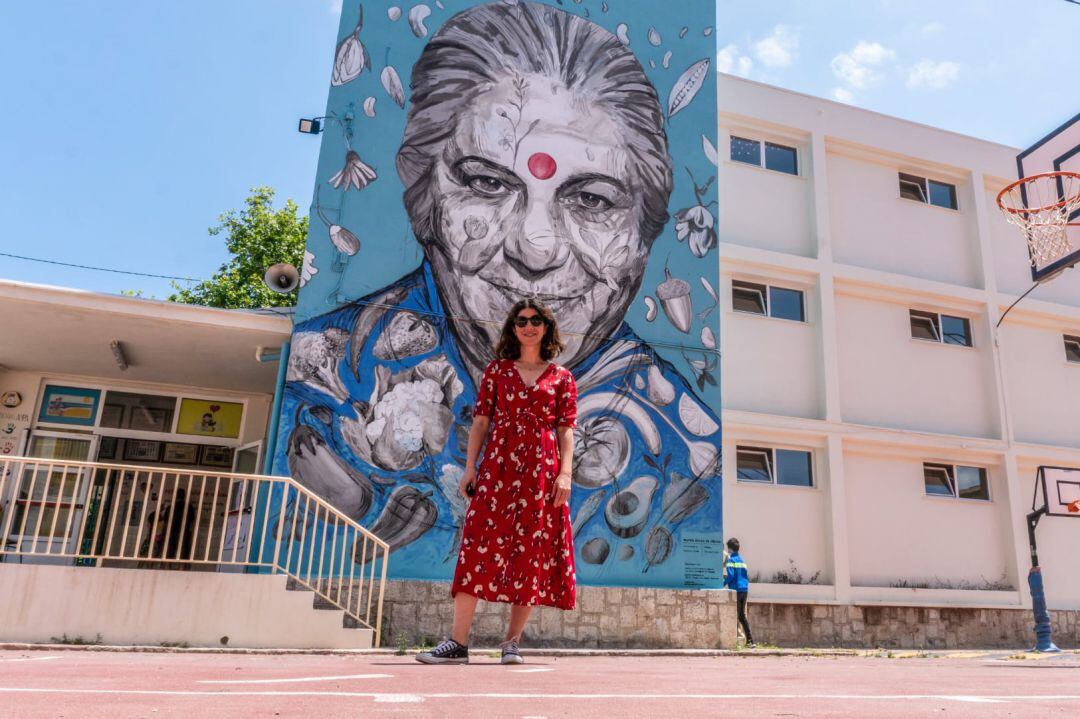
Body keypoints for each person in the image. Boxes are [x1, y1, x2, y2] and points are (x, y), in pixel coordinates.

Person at [278, 0, 721, 587]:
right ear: (422, 194)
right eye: (487, 183)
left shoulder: (690, 454)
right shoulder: (315, 377)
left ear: (644, 234)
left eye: (592, 199)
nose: (535, 248)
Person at [416, 299, 577, 665]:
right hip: (498, 470)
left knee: (530, 554)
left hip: (542, 473)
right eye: (521, 321)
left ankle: (512, 643)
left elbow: (567, 431)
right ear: (512, 328)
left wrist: (565, 474)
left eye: (536, 320)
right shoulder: (497, 372)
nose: (529, 326)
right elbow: (481, 423)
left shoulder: (562, 379)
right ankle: (457, 643)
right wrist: (470, 467)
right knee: (477, 547)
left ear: (547, 328)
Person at [723, 537, 755, 648]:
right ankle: (750, 641)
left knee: (735, 616)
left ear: (730, 549)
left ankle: (734, 643)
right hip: (744, 590)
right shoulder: (742, 561)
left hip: (736, 590)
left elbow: (731, 575)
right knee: (742, 616)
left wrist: (722, 583)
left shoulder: (731, 560)